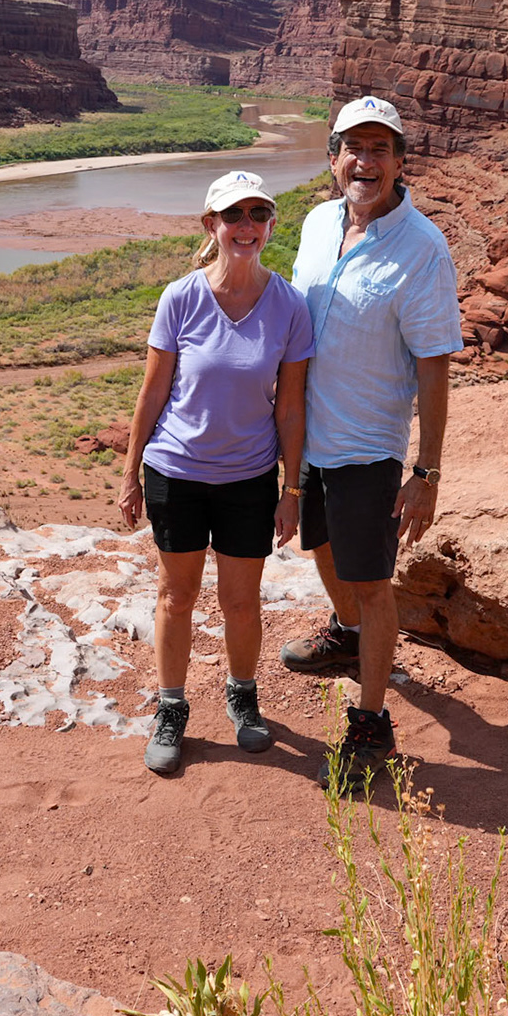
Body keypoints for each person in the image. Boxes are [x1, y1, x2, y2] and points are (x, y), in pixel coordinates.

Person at [280, 95, 463, 789]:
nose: (366, 160)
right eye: (354, 147)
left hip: (368, 446)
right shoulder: (318, 223)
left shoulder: (423, 249)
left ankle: (372, 719)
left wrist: (428, 470)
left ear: (400, 161)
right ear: (333, 159)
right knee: (322, 551)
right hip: (308, 440)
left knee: (372, 581)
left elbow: (435, 362)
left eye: (381, 148)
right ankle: (347, 637)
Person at [118, 170, 314, 775]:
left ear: (270, 225)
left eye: (258, 214)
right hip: (176, 471)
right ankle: (171, 708)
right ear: (212, 225)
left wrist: (292, 488)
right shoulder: (180, 297)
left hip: (248, 479)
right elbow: (152, 395)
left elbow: (290, 406)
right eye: (234, 216)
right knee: (176, 597)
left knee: (241, 602)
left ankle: (242, 696)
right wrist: (130, 476)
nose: (247, 226)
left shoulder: (289, 306)